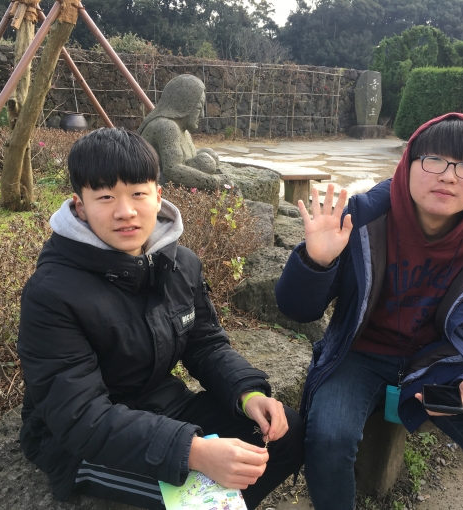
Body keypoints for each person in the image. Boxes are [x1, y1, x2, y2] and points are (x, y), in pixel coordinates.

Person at [17, 128, 304, 509]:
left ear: (158, 196)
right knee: (200, 500)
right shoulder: (51, 293)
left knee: (288, 433)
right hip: (77, 442)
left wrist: (247, 393)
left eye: (138, 193)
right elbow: (80, 416)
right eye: (105, 197)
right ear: (80, 206)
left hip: (163, 405)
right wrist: (193, 452)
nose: (125, 211)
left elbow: (205, 344)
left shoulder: (180, 264)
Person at [275, 113, 463, 510]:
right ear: (408, 163)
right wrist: (316, 262)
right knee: (328, 437)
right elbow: (297, 310)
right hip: (358, 355)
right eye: (434, 160)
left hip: (445, 362)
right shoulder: (362, 220)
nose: (448, 176)